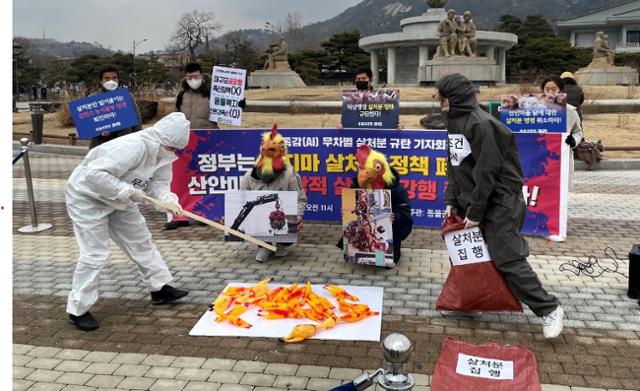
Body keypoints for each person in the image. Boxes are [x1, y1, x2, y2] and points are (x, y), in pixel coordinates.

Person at [435, 73, 564, 339]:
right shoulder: (454, 121)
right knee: (468, 257)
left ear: (454, 98)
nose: (438, 102)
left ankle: (549, 309)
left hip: (500, 202)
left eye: (442, 97)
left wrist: (475, 212)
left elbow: (487, 172)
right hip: (473, 200)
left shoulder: (482, 125)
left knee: (507, 259)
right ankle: (470, 304)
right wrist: (451, 201)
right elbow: (455, 165)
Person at [65, 112, 191, 331]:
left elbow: (159, 183)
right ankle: (77, 309)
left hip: (121, 200)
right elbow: (94, 175)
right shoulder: (134, 146)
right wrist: (126, 191)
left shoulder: (163, 154)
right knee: (95, 254)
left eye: (175, 150)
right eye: (171, 148)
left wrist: (168, 199)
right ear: (162, 140)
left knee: (141, 241)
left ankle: (160, 288)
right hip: (88, 197)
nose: (172, 153)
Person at [167, 63, 246, 230]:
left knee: (208, 179)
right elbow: (175, 117)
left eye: (196, 77)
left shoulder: (214, 94)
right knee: (183, 179)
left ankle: (205, 214)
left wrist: (238, 105)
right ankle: (180, 215)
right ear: (185, 78)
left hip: (209, 140)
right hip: (186, 141)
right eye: (189, 78)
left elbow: (229, 111)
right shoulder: (181, 96)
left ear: (202, 76)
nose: (193, 80)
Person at [239, 125, 307, 262]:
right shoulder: (248, 176)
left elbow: (300, 200)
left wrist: (297, 217)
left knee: (288, 230)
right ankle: (264, 246)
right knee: (249, 221)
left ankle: (282, 244)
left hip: (282, 218)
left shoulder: (291, 175)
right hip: (259, 219)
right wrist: (232, 217)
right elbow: (241, 201)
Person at [351, 144, 413, 265]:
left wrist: (395, 216)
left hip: (388, 231)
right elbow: (351, 209)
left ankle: (384, 254)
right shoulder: (356, 187)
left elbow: (405, 212)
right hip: (365, 228)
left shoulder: (396, 189)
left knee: (386, 257)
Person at [541, 75, 584, 185]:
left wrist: (573, 140)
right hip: (538, 158)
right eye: (547, 89)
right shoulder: (532, 110)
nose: (550, 92)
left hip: (561, 158)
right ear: (543, 91)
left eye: (554, 89)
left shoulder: (569, 110)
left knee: (560, 192)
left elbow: (578, 132)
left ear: (560, 90)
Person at [89, 66, 142, 150]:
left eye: (114, 78)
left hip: (124, 140)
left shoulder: (127, 96)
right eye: (107, 78)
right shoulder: (92, 98)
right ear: (101, 81)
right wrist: (98, 132)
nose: (111, 81)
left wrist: (138, 139)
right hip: (100, 144)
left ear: (118, 79)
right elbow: (89, 123)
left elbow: (137, 117)